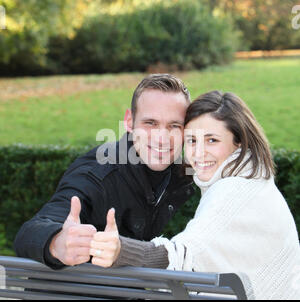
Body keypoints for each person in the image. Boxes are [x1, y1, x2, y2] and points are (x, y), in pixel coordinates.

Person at [90, 90, 300, 300]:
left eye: (212, 140)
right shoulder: (253, 183)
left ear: (239, 142)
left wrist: (120, 249)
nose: (198, 154)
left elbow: (182, 256)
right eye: (191, 141)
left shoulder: (235, 190)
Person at [13, 73, 195, 269]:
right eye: (150, 123)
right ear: (129, 122)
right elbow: (30, 232)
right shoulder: (98, 172)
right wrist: (57, 243)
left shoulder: (183, 175)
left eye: (174, 126)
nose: (162, 138)